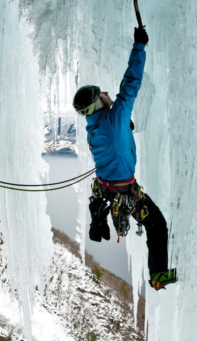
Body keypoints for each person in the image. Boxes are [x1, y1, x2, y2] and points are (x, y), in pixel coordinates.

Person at [72, 26, 177, 291]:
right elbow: (130, 84)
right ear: (97, 103)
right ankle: (157, 276)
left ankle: (103, 218)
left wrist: (124, 130)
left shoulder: (93, 128)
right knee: (157, 225)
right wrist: (139, 45)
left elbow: (115, 141)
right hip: (123, 190)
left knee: (150, 222)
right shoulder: (115, 118)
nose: (105, 93)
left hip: (108, 188)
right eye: (100, 94)